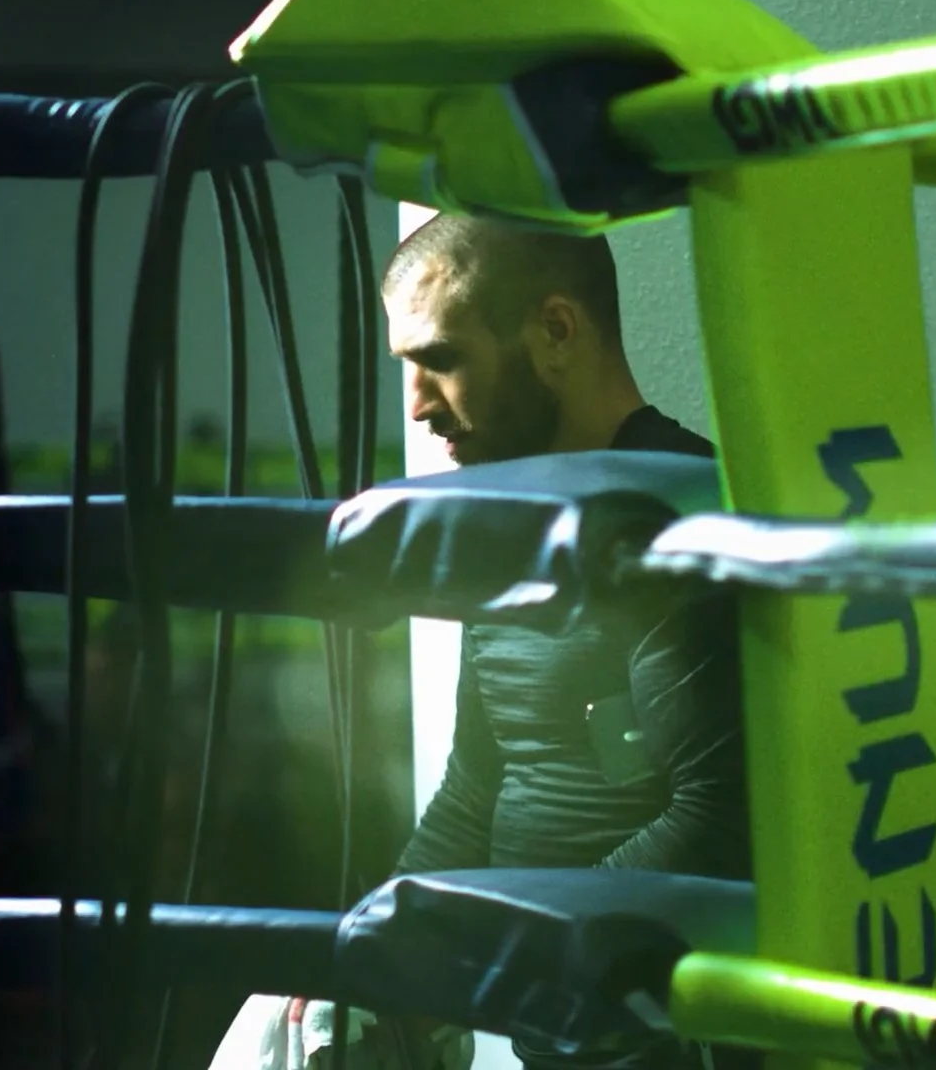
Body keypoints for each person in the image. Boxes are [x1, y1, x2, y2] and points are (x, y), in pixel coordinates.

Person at [214, 215, 750, 1070]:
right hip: (557, 1021)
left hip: (669, 1033)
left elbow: (720, 818)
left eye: (442, 360)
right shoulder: (517, 529)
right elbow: (475, 787)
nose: (419, 406)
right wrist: (375, 946)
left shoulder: (678, 516)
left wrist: (505, 955)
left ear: (556, 332)